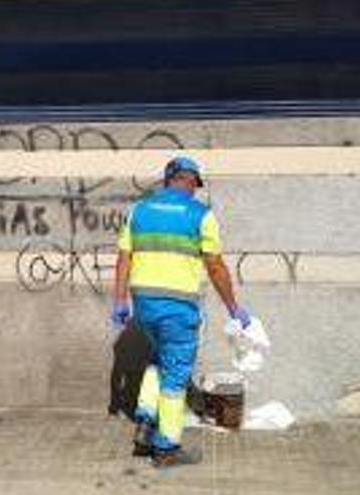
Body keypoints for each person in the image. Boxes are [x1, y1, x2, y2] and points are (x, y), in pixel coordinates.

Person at [112, 156, 254, 468]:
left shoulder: (138, 210)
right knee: (176, 375)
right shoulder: (201, 215)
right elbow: (215, 267)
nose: (195, 191)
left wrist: (120, 301)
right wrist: (234, 308)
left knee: (158, 361)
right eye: (195, 184)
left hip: (144, 306)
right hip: (178, 307)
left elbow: (124, 258)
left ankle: (146, 421)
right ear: (188, 180)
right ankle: (167, 448)